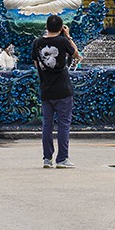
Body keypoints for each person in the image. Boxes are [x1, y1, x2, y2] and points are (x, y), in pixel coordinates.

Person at [32, 13, 79, 168]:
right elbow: (77, 55)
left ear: (46, 26)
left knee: (47, 125)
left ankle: (47, 158)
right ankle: (62, 159)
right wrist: (68, 36)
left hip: (46, 89)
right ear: (60, 28)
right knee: (64, 124)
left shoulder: (37, 42)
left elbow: (36, 64)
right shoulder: (63, 41)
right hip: (63, 90)